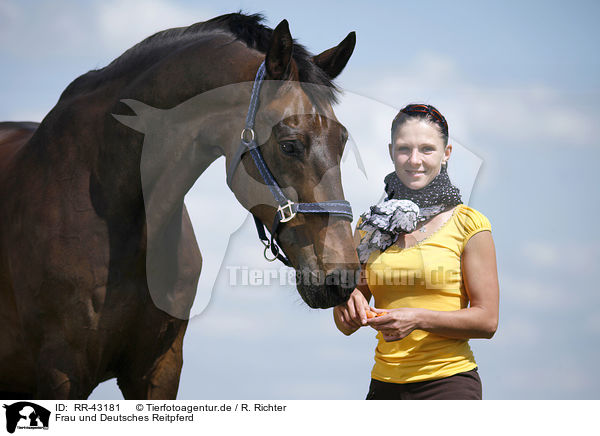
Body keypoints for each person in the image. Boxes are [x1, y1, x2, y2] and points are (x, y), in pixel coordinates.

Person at [334, 103, 499, 400]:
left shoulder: (469, 224)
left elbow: (487, 321)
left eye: (427, 149)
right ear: (390, 151)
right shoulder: (368, 226)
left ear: (446, 154)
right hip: (383, 386)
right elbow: (345, 325)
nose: (414, 160)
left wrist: (417, 318)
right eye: (403, 149)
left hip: (449, 384)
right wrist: (348, 298)